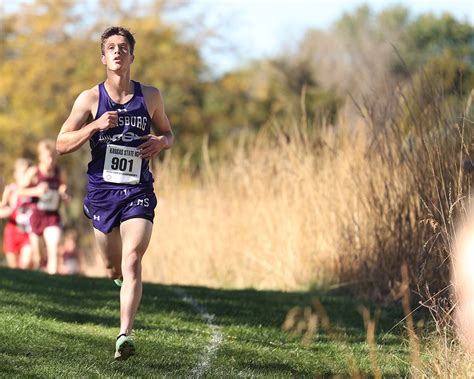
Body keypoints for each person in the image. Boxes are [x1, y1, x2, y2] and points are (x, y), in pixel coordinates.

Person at [56, 26, 174, 360]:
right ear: (103, 57)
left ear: (132, 56)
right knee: (113, 269)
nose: (118, 52)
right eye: (111, 47)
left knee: (133, 258)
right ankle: (120, 282)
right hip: (102, 194)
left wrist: (161, 142)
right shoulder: (90, 99)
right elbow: (61, 143)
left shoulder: (150, 96)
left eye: (123, 47)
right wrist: (94, 126)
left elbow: (168, 133)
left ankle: (124, 334)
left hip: (138, 189)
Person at [20, 140, 69, 274]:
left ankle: (53, 282)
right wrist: (36, 191)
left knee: (53, 248)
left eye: (53, 156)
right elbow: (19, 190)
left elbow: (64, 188)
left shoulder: (59, 171)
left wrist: (63, 193)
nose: (51, 160)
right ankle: (40, 270)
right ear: (40, 157)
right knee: (39, 256)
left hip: (52, 216)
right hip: (36, 216)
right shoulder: (34, 172)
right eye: (47, 156)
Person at [0, 158, 34, 269]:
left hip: (27, 233)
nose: (24, 176)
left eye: (26, 173)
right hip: (12, 231)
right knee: (13, 267)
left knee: (26, 263)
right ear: (15, 174)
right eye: (21, 172)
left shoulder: (34, 190)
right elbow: (2, 208)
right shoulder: (10, 189)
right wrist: (10, 210)